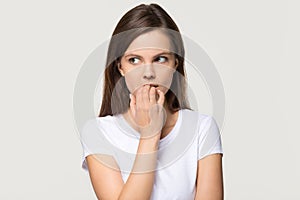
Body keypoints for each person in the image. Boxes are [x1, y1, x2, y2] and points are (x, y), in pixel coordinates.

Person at [80, 3, 224, 200]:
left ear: (175, 63)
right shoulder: (98, 132)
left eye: (160, 59)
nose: (148, 73)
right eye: (134, 60)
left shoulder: (202, 128)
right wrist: (150, 134)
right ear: (120, 67)